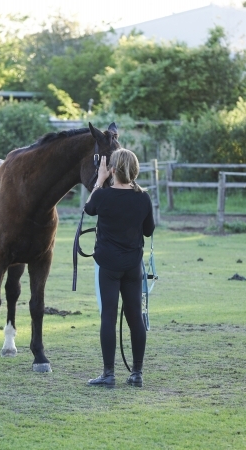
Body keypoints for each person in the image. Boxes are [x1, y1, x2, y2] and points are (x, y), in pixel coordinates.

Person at [84, 148, 155, 387]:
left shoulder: (102, 196)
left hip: (108, 265)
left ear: (112, 169)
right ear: (134, 170)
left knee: (108, 317)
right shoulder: (143, 197)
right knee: (135, 317)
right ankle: (137, 374)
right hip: (133, 265)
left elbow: (88, 208)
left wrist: (100, 180)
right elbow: (148, 230)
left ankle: (109, 374)